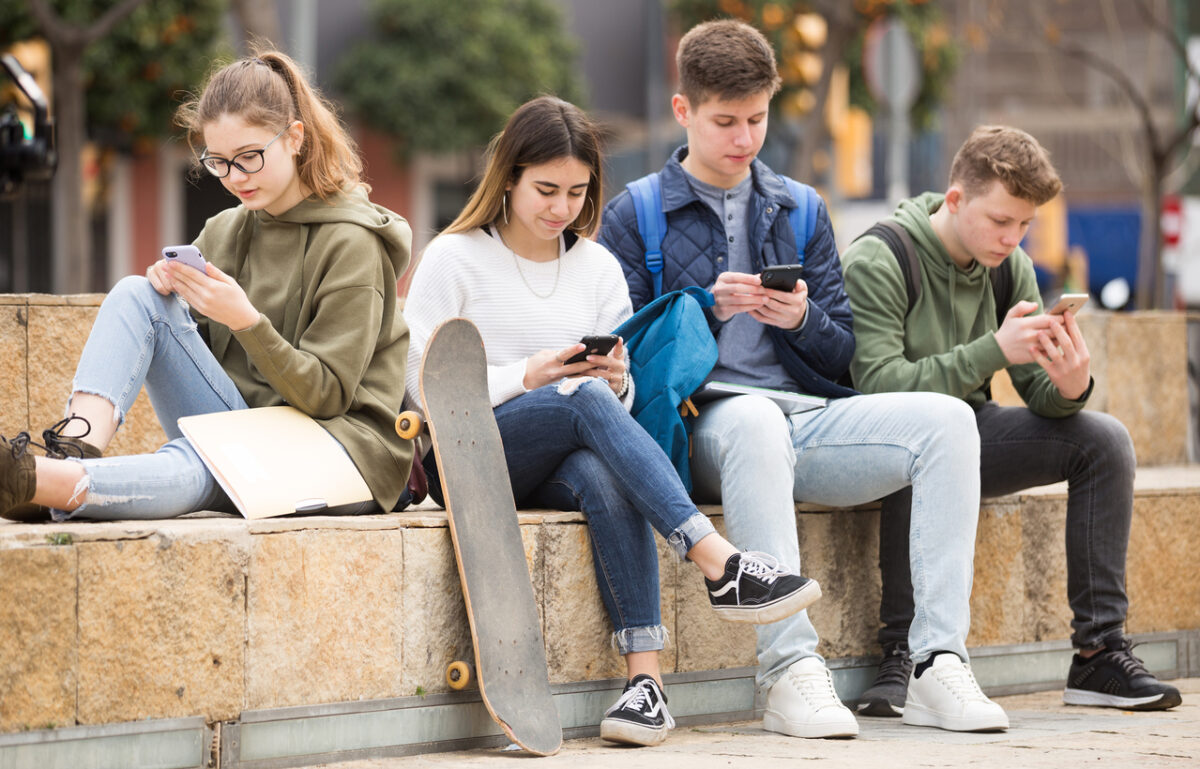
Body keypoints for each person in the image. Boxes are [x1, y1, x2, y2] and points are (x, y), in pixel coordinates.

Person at [600, 19, 1008, 737]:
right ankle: (789, 669)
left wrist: (800, 320)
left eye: (756, 118)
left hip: (804, 416)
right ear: (683, 110)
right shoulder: (634, 214)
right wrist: (704, 308)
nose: (744, 138)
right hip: (702, 424)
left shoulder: (803, 207)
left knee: (947, 420)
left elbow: (844, 354)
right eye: (725, 121)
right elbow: (617, 354)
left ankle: (937, 661)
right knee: (754, 420)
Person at [402, 95, 819, 748]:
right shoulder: (453, 258)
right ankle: (720, 561)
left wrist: (617, 380)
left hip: (558, 451)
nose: (560, 207)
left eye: (576, 191)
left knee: (599, 465)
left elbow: (611, 412)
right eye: (544, 189)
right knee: (579, 400)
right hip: (471, 455)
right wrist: (530, 376)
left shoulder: (595, 267)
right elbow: (422, 391)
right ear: (507, 177)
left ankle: (644, 683)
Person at [841, 125, 1183, 715]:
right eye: (1001, 221)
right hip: (876, 440)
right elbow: (877, 388)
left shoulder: (1008, 268)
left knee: (1105, 440)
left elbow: (1036, 392)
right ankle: (901, 653)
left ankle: (1098, 655)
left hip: (970, 431)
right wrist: (993, 350)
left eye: (1024, 224)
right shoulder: (880, 257)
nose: (1013, 237)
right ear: (955, 200)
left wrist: (1072, 387)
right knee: (929, 431)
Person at [0, 50, 413, 522]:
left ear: (294, 137)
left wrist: (245, 321)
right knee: (140, 294)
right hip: (251, 430)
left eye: (250, 157)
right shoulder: (225, 231)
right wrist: (172, 295)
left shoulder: (352, 242)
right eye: (218, 161)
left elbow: (329, 396)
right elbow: (179, 344)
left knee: (207, 465)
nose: (235, 177)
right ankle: (71, 456)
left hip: (343, 450)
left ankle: (37, 484)